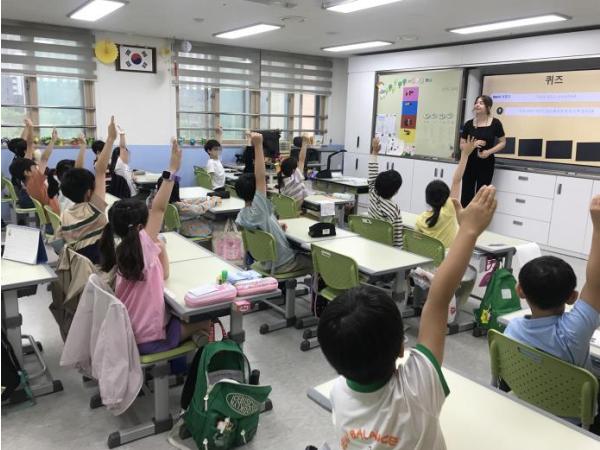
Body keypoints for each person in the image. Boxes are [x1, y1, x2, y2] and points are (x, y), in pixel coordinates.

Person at [317, 186, 497, 450]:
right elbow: (438, 301)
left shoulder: (338, 393)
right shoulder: (417, 389)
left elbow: (437, 299)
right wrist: (469, 230)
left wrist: (468, 230)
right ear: (402, 347)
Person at [99, 138, 209, 354]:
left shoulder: (120, 248)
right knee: (206, 320)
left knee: (177, 314)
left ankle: (180, 356)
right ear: (141, 227)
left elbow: (164, 274)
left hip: (128, 332)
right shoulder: (143, 246)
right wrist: (172, 170)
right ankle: (183, 366)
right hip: (147, 338)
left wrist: (162, 250)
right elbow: (159, 208)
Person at [505, 195, 600, 372]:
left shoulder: (512, 329)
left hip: (523, 389)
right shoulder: (573, 333)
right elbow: (595, 283)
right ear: (572, 297)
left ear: (520, 290)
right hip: (574, 392)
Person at [235, 133, 312, 274]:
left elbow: (259, 227)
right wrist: (258, 145)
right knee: (319, 262)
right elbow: (260, 177)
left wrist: (275, 226)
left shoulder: (242, 215)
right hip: (283, 263)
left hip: (265, 262)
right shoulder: (260, 210)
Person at [58, 119, 116, 263]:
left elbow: (78, 173)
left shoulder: (66, 215)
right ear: (89, 193)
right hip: (101, 268)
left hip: (78, 267)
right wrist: (110, 139)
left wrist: (83, 145)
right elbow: (101, 171)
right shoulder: (94, 210)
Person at [415, 142, 475, 248]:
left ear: (427, 199)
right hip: (448, 258)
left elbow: (417, 243)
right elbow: (457, 180)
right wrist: (465, 155)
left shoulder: (420, 219)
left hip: (427, 258)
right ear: (447, 196)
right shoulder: (449, 211)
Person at [459, 95, 506, 207]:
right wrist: (473, 145)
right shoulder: (468, 124)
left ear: (488, 107)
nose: (477, 105)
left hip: (486, 163)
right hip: (469, 162)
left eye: (481, 103)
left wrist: (489, 152)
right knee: (466, 194)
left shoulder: (495, 123)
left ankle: (478, 218)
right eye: (476, 102)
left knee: (482, 194)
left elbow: (503, 142)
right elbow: (461, 145)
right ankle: (465, 217)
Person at [8, 121, 60, 214]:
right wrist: (31, 127)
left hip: (46, 210)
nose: (36, 167)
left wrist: (52, 140)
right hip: (53, 212)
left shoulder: (24, 175)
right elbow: (43, 158)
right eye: (34, 166)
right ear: (27, 172)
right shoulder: (35, 181)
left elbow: (42, 158)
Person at [148, 177, 221, 239]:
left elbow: (185, 202)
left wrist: (206, 198)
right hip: (187, 230)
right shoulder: (179, 206)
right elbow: (198, 209)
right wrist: (212, 202)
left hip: (171, 229)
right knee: (217, 225)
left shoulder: (160, 202)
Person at [368, 137, 403, 248]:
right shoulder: (394, 209)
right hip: (386, 249)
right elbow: (397, 238)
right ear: (396, 191)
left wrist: (374, 151)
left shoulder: (373, 194)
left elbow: (372, 170)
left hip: (369, 244)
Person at [55, 133, 88, 211]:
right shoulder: (72, 191)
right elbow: (78, 170)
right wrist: (83, 145)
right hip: (71, 217)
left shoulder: (60, 187)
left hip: (62, 216)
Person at [277, 134, 310, 202]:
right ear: (293, 170)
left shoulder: (282, 179)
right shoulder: (296, 178)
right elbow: (302, 160)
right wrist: (304, 143)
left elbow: (281, 165)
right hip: (297, 207)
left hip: (287, 207)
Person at [109, 126, 138, 198]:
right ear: (119, 156)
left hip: (129, 193)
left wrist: (132, 175)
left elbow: (127, 174)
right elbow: (122, 147)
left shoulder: (122, 165)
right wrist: (122, 134)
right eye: (126, 154)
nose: (128, 156)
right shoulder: (120, 164)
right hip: (128, 195)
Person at [204, 125, 226, 190]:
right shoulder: (211, 162)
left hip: (221, 187)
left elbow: (219, 145)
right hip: (216, 189)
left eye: (218, 149)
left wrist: (220, 134)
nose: (218, 151)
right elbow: (209, 178)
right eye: (215, 149)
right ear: (209, 151)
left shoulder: (217, 159)